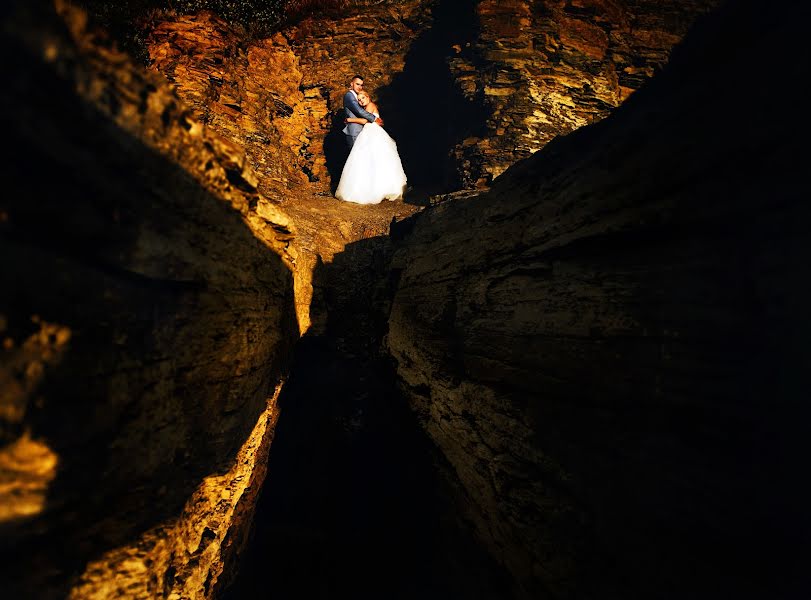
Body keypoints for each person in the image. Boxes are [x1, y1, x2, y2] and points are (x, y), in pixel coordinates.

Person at [335, 90, 407, 204]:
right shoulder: (367, 107)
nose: (361, 101)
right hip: (370, 132)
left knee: (373, 159)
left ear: (368, 97)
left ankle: (376, 189)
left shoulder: (370, 105)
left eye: (362, 98)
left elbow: (365, 120)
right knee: (369, 160)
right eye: (359, 100)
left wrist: (350, 120)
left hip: (373, 133)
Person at [342, 75, 382, 149]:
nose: (359, 87)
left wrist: (349, 119)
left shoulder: (359, 98)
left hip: (361, 131)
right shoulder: (349, 95)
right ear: (351, 84)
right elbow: (359, 111)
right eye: (357, 84)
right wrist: (374, 118)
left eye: (361, 85)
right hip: (354, 131)